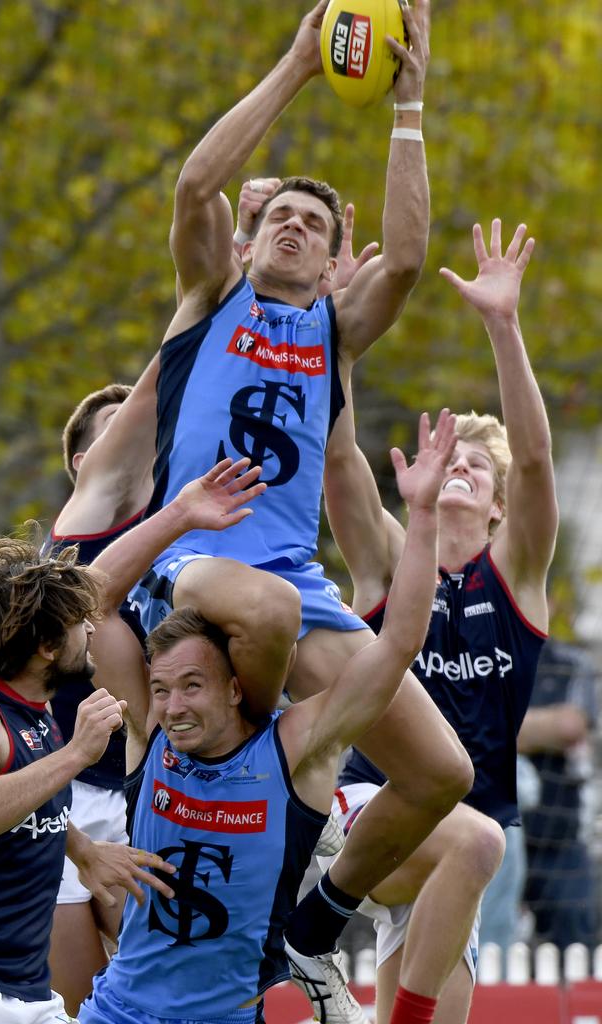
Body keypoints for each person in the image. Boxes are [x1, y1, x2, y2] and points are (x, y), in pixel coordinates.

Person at [126, 8, 477, 1000]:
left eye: (314, 223)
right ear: (246, 242)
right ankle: (257, 770)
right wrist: (295, 63)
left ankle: (309, 925)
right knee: (270, 612)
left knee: (442, 772)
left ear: (330, 264)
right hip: (191, 564)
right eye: (277, 213)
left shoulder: (332, 333)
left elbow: (404, 261)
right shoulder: (207, 298)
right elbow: (197, 185)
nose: (292, 222)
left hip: (296, 586)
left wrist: (408, 105)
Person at [77, 408, 457, 1024]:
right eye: (162, 688)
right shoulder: (149, 736)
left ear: (235, 688)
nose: (173, 707)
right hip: (116, 1013)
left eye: (192, 686)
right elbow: (87, 602)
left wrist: (424, 513)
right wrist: (177, 513)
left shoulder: (296, 749)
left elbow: (398, 644)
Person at [0, 455, 263, 1024]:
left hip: (28, 997)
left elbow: (96, 588)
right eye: (78, 626)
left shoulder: (33, 705)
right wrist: (77, 756)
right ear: (45, 646)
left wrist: (82, 849)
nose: (92, 629)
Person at [289, 219, 558, 1024]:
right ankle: (313, 929)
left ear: (500, 504)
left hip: (458, 855)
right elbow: (339, 464)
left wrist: (502, 325)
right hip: (362, 821)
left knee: (471, 862)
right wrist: (328, 337)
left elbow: (539, 461)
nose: (462, 468)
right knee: (473, 839)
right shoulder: (390, 563)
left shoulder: (514, 577)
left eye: (479, 465)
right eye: (452, 458)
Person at [44, 376, 159, 1013]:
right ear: (85, 465)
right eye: (115, 426)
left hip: (149, 793)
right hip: (68, 797)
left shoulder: (189, 534)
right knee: (80, 1001)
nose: (136, 428)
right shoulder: (74, 536)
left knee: (172, 983)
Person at [519, 637, 599, 950]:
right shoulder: (479, 651)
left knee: (578, 944)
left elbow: (569, 726)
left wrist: (491, 731)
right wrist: (541, 728)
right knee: (487, 948)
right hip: (495, 828)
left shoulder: (570, 662)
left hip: (559, 839)